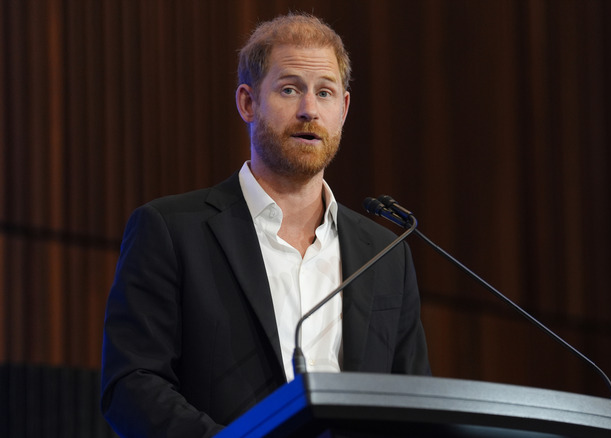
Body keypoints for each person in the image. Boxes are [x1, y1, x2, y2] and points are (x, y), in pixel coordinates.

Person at [100, 13, 430, 438]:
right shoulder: (171, 230)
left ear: (343, 109)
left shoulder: (385, 254)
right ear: (247, 103)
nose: (309, 110)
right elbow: (131, 385)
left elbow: (413, 404)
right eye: (289, 89)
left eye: (325, 92)